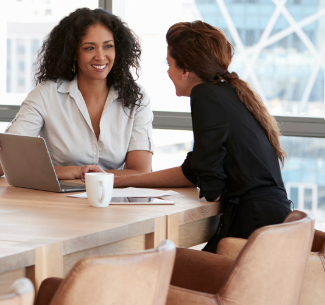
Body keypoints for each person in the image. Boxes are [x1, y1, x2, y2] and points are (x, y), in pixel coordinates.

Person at [115, 20, 292, 252]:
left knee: (164, 265)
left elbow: (210, 181)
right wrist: (120, 180)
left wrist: (211, 184)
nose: (168, 71)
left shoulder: (205, 94)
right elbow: (193, 171)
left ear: (185, 70)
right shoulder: (229, 92)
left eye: (169, 64)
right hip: (272, 218)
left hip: (253, 224)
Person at [0, 8, 154, 181]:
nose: (100, 56)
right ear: (73, 53)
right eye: (89, 48)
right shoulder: (46, 95)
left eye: (108, 46)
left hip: (114, 203)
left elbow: (140, 171)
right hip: (57, 205)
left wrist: (82, 175)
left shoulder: (136, 99)